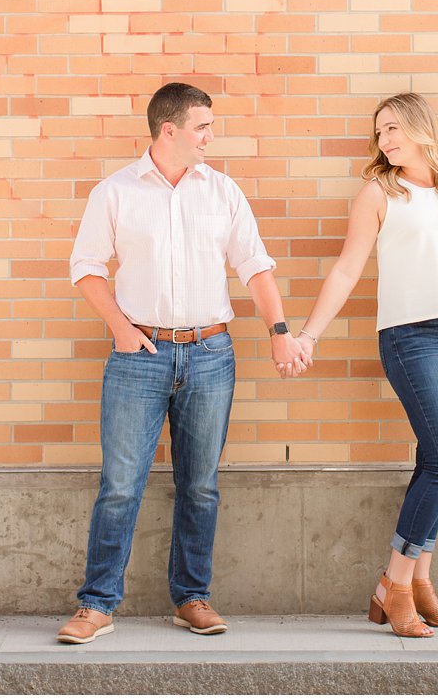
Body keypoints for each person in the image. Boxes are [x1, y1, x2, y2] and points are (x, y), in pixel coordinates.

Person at [58, 82, 307, 644]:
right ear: (168, 130)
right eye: (202, 127)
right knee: (121, 485)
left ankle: (191, 597)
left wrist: (280, 331)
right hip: (138, 356)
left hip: (211, 354)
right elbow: (86, 267)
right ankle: (96, 605)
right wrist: (121, 330)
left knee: (200, 486)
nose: (210, 138)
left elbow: (254, 265)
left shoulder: (222, 191)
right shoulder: (115, 192)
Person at [292, 92, 438, 637]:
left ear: (420, 128)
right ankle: (395, 583)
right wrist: (309, 333)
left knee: (435, 464)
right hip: (411, 339)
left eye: (393, 129)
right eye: (379, 133)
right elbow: (346, 270)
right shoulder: (379, 193)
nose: (384, 141)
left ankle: (421, 583)